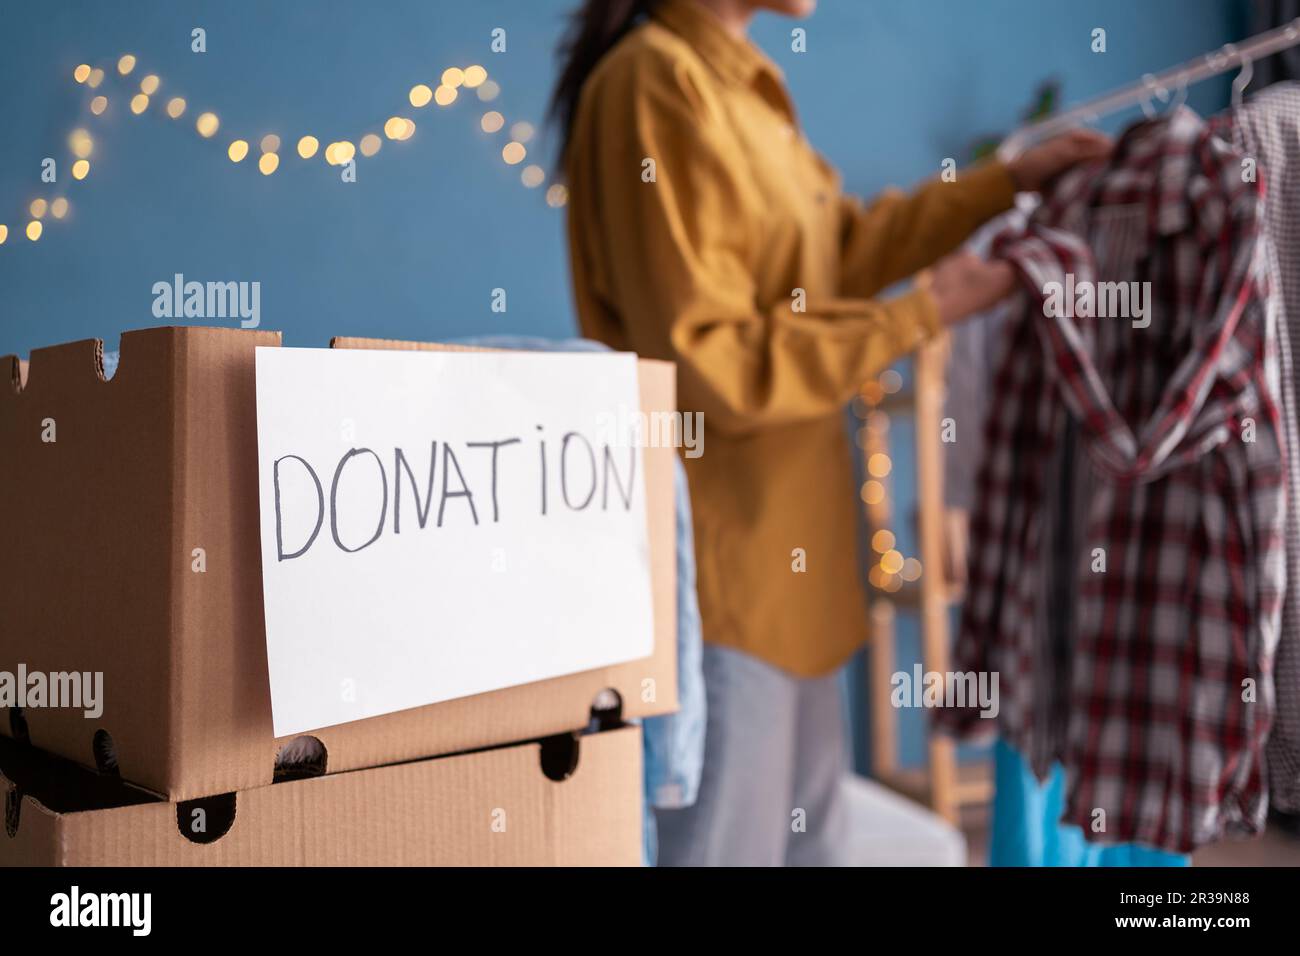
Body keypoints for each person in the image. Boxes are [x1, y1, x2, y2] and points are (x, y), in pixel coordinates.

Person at [550, 0, 1111, 865]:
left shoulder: (743, 88)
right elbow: (713, 362)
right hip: (726, 575)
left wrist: (1007, 180)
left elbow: (836, 254)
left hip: (798, 567)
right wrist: (928, 310)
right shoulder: (654, 81)